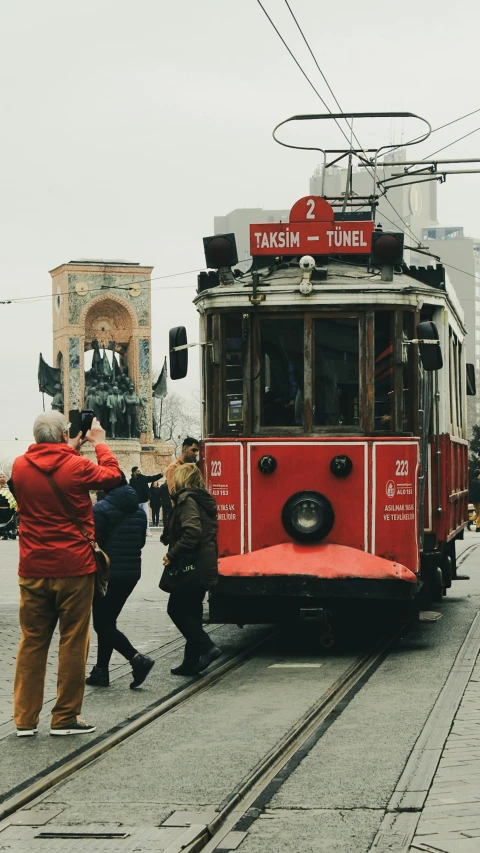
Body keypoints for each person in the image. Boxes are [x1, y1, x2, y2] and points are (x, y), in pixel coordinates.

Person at [11, 412, 121, 737]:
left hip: (32, 569)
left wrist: (66, 446)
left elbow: (49, 468)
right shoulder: (77, 466)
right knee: (73, 641)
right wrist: (98, 442)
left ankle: (24, 720)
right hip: (74, 568)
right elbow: (112, 476)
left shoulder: (18, 466)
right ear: (63, 436)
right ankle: (65, 717)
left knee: (32, 641)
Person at [86, 474, 154, 689]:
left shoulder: (100, 509)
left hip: (107, 574)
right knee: (108, 621)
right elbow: (141, 542)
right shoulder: (139, 511)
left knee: (102, 624)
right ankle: (101, 672)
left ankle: (137, 659)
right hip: (131, 573)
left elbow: (95, 543)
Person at [164, 463, 221, 676]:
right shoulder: (202, 498)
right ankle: (191, 661)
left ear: (183, 479)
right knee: (193, 611)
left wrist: (172, 554)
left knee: (176, 609)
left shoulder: (187, 499)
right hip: (204, 563)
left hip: (191, 564)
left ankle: (207, 647)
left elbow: (192, 532)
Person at [129, 466, 164, 535]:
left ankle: (147, 530)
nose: (139, 472)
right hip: (136, 502)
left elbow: (151, 478)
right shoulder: (132, 481)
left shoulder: (143, 478)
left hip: (144, 500)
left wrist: (160, 475)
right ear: (134, 472)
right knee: (137, 517)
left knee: (146, 516)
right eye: (138, 471)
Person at [0, 471, 17, 540]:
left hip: (8, 510)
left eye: (3, 477)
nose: (2, 478)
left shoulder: (9, 487)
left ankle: (11, 532)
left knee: (10, 521)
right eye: (0, 477)